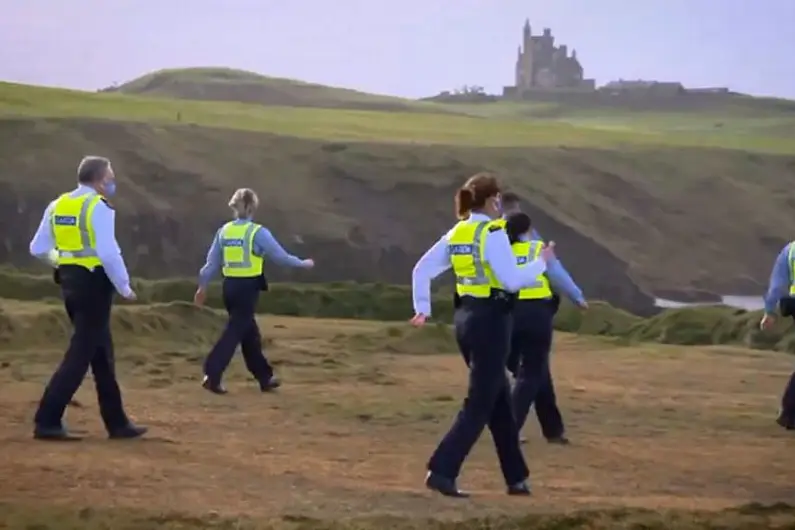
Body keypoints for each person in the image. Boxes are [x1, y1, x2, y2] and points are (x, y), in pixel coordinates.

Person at [410, 172, 556, 498]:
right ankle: (442, 469)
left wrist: (423, 307)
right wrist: (541, 263)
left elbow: (421, 269)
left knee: (499, 399)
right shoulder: (493, 232)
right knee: (480, 402)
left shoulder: (458, 231)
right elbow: (511, 281)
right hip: (492, 320)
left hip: (465, 319)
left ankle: (516, 478)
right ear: (493, 200)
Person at [28, 156, 145, 441]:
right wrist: (125, 287)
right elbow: (108, 252)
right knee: (80, 354)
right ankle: (47, 419)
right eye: (111, 176)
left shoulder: (58, 205)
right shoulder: (98, 207)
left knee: (101, 353)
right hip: (94, 285)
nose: (113, 182)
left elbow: (37, 247)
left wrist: (62, 261)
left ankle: (117, 423)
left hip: (70, 282)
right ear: (99, 179)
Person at [194, 188, 314, 395]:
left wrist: (202, 287)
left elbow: (210, 265)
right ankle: (212, 374)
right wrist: (303, 264)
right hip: (247, 288)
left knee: (249, 333)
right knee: (235, 331)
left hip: (229, 287)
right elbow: (281, 257)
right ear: (252, 207)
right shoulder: (257, 232)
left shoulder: (224, 231)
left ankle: (265, 377)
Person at [504, 212, 587, 446]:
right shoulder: (537, 249)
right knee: (530, 373)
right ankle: (509, 427)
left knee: (537, 372)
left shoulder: (501, 253)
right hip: (537, 315)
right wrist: (577, 298)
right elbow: (556, 274)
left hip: (509, 315)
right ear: (527, 231)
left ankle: (553, 430)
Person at [759, 241, 795, 431]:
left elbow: (777, 284)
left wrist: (770, 311)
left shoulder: (790, 250)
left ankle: (789, 413)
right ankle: (789, 413)